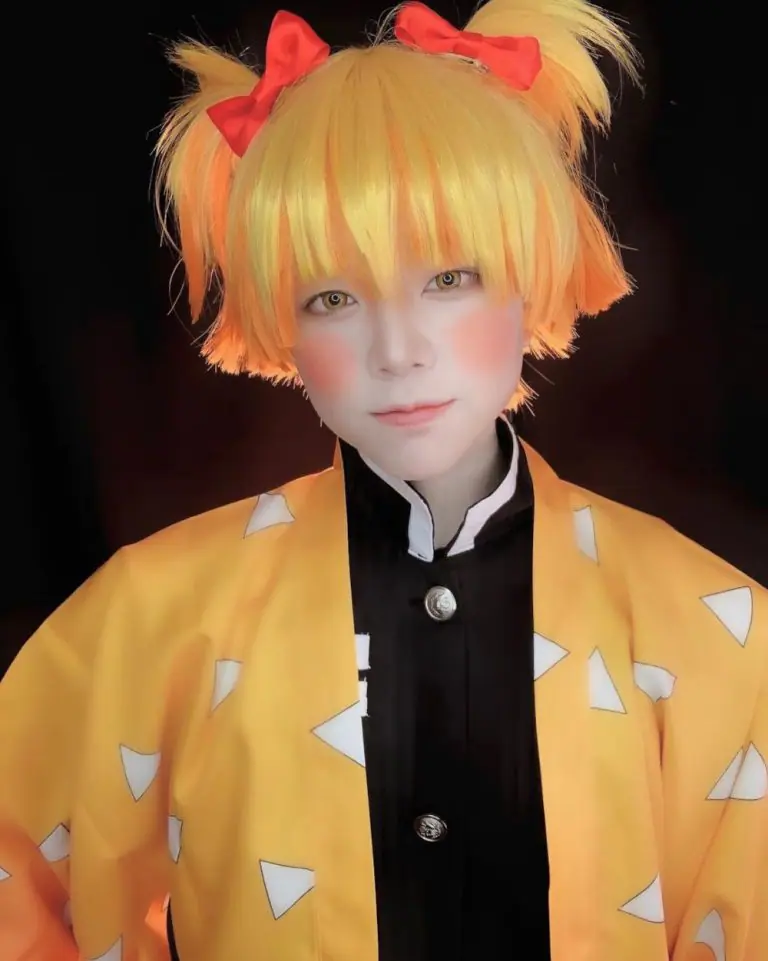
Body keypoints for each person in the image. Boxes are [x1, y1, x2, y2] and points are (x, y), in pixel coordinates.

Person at [1, 1, 766, 959]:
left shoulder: (712, 629)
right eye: (333, 297)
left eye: (449, 278)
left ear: (530, 267)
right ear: (283, 318)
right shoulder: (148, 619)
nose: (398, 351)